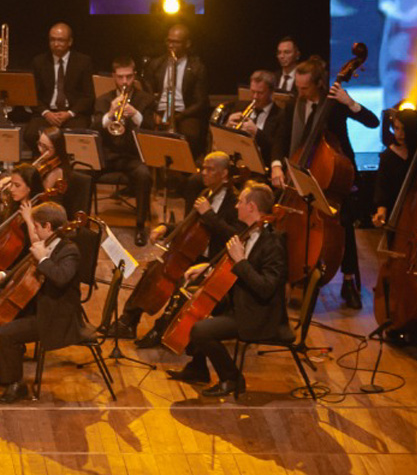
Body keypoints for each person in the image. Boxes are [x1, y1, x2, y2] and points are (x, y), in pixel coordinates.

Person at [267, 57, 378, 307]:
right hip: (301, 174)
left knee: (345, 223)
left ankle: (349, 280)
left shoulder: (335, 104)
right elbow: (280, 139)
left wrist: (350, 103)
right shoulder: (295, 104)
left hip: (335, 177)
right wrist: (276, 165)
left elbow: (373, 122)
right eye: (298, 86)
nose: (300, 92)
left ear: (319, 83)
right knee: (287, 221)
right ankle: (295, 276)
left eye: (305, 88)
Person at [102, 152, 244, 345]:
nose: (203, 173)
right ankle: (128, 321)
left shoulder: (235, 202)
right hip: (191, 252)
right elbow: (189, 225)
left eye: (210, 169)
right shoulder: (206, 193)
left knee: (180, 284)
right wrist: (165, 227)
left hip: (212, 260)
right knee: (151, 271)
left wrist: (209, 214)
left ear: (225, 173)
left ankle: (161, 331)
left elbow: (234, 235)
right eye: (203, 168)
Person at [165, 182, 289, 397]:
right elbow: (235, 264)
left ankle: (232, 378)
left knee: (200, 330)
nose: (236, 206)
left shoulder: (273, 243)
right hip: (241, 301)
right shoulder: (249, 231)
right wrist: (208, 266)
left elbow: (266, 288)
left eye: (240, 202)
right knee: (190, 300)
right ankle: (198, 368)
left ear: (251, 207)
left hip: (258, 314)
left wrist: (240, 260)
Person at [0, 201, 87, 404]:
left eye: (37, 226)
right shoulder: (48, 244)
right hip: (37, 305)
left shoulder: (70, 251)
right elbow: (25, 267)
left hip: (55, 316)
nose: (35, 230)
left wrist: (43, 260)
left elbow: (61, 277)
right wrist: (3, 276)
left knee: (5, 333)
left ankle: (16, 384)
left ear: (47, 226)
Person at [96, 58, 158, 244]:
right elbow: (94, 127)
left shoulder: (146, 100)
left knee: (144, 174)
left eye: (129, 77)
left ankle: (140, 226)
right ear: (114, 77)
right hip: (107, 156)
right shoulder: (103, 99)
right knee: (80, 172)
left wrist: (136, 114)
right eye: (121, 77)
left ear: (134, 76)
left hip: (132, 156)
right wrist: (109, 114)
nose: (125, 82)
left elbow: (150, 128)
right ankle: (81, 224)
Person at [144, 23, 211, 155]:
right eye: (169, 41)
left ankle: (184, 170)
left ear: (187, 44)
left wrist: (179, 116)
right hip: (160, 110)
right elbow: (147, 91)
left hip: (184, 112)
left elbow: (201, 101)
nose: (170, 45)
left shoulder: (197, 67)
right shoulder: (156, 64)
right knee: (143, 130)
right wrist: (154, 111)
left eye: (176, 42)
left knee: (191, 134)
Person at [28, 23, 95, 134]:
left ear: (70, 42)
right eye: (52, 40)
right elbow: (33, 95)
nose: (56, 44)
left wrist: (69, 113)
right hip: (47, 113)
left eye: (60, 40)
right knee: (30, 134)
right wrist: (47, 113)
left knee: (79, 135)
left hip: (73, 114)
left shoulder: (83, 62)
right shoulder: (39, 62)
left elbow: (88, 96)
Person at [213, 71, 283, 169]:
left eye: (260, 93)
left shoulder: (280, 115)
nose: (255, 97)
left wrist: (257, 133)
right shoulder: (239, 106)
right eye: (253, 91)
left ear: (271, 92)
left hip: (261, 167)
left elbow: (277, 149)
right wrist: (227, 126)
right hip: (236, 165)